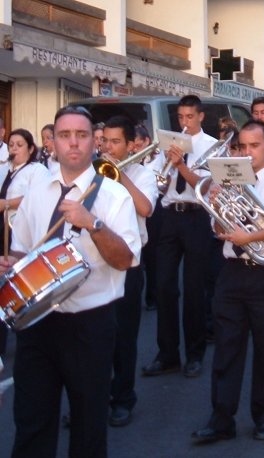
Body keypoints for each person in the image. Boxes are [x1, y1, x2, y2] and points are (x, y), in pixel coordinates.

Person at [1, 105, 141, 458]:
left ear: (94, 142)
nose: (73, 143)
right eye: (65, 136)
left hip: (89, 326)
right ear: (53, 144)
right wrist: (11, 265)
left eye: (81, 135)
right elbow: (24, 251)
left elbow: (125, 259)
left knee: (88, 424)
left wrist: (92, 223)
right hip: (37, 323)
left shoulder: (113, 195)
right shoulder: (37, 191)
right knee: (32, 422)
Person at [191, 119, 264, 444]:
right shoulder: (229, 177)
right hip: (233, 273)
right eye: (243, 147)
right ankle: (221, 419)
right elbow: (217, 228)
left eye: (255, 146)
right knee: (226, 349)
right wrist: (217, 213)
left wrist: (248, 235)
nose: (248, 152)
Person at [142, 95, 217, 379]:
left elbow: (207, 186)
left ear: (200, 117)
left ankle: (195, 354)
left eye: (189, 117)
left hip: (197, 216)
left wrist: (181, 165)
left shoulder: (211, 146)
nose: (183, 122)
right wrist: (164, 166)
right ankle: (167, 354)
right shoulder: (170, 143)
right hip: (171, 215)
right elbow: (157, 180)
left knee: (195, 289)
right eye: (180, 117)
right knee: (164, 287)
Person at [102, 116, 158, 427]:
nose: (108, 147)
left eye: (115, 142)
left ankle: (122, 398)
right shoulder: (93, 171)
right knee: (92, 338)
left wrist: (121, 175)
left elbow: (146, 208)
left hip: (129, 264)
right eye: (105, 141)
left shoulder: (143, 174)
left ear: (129, 144)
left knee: (123, 338)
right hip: (95, 263)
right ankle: (94, 397)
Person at [0, 128, 50, 358]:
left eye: (19, 145)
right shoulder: (6, 170)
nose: (14, 149)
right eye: (11, 144)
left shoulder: (36, 170)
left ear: (31, 149)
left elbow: (36, 197)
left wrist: (7, 203)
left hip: (19, 237)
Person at [134, 124, 161, 312]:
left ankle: (153, 295)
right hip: (136, 209)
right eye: (132, 145)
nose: (135, 149)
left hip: (154, 208)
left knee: (152, 256)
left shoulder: (157, 160)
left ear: (147, 142)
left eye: (139, 144)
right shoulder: (130, 163)